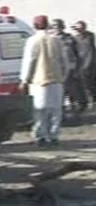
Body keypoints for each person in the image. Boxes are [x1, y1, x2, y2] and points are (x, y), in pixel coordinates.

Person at [19, 16, 68, 146]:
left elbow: (30, 61)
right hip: (56, 80)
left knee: (40, 110)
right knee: (56, 110)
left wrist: (24, 80)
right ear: (47, 25)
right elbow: (64, 61)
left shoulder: (32, 41)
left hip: (38, 81)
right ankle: (54, 136)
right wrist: (63, 76)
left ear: (35, 25)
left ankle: (41, 136)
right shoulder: (56, 40)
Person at [51, 19, 85, 116]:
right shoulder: (50, 39)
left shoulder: (69, 38)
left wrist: (78, 69)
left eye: (58, 26)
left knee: (72, 93)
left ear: (62, 27)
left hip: (71, 69)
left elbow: (78, 54)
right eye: (54, 26)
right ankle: (61, 113)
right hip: (57, 71)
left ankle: (75, 112)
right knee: (59, 94)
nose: (56, 28)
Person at [72, 21, 96, 108]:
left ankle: (92, 100)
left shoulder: (89, 36)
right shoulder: (75, 38)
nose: (78, 30)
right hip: (80, 63)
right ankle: (86, 101)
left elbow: (91, 51)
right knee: (83, 84)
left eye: (80, 27)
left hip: (90, 63)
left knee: (91, 83)